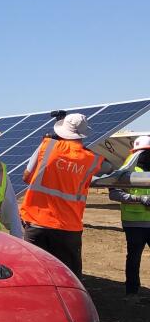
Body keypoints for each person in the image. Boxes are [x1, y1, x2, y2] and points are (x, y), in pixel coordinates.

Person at [20, 112, 110, 278]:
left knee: (35, 275)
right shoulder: (90, 158)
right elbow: (108, 167)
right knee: (68, 277)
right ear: (83, 134)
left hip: (37, 222)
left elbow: (26, 177)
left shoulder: (47, 146)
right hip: (69, 228)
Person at [109, 135, 150, 299]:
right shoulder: (127, 170)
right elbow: (114, 193)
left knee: (133, 258)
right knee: (134, 258)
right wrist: (138, 199)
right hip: (135, 224)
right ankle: (132, 292)